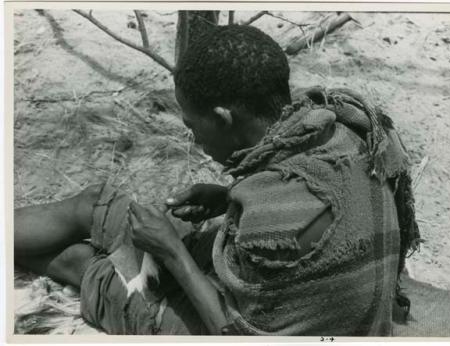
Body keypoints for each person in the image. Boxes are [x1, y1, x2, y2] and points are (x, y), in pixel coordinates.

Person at [15, 24, 422, 336]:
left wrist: (172, 251)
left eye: (195, 127)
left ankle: (86, 275)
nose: (195, 140)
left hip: (247, 326)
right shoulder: (340, 129)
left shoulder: (277, 223)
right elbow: (319, 212)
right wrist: (229, 198)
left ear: (225, 117)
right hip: (289, 283)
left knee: (87, 264)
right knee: (94, 204)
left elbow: (235, 333)